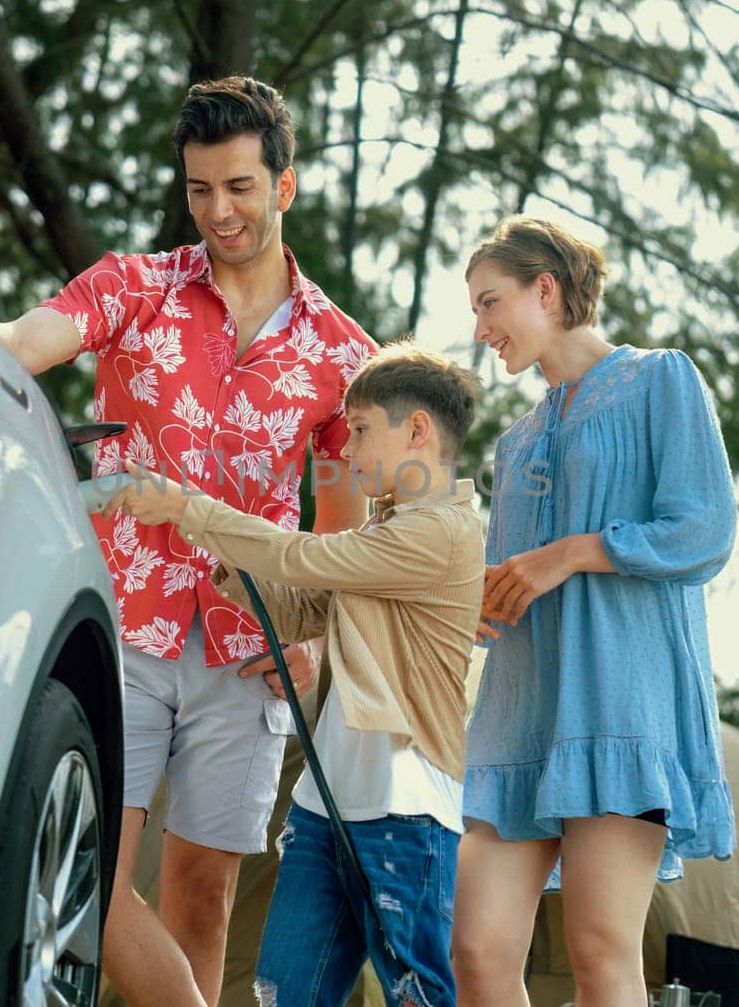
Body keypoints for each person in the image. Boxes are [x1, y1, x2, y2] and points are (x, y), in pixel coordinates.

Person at [0, 76, 375, 1007]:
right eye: (200, 190)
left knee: (205, 898)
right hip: (122, 625)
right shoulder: (137, 286)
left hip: (251, 649)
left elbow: (345, 524)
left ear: (284, 185)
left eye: (239, 187)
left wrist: (313, 632)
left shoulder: (342, 355)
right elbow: (27, 338)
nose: (219, 212)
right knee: (94, 878)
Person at [108, 343, 484, 1007]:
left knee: (416, 994)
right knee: (284, 993)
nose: (350, 449)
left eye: (363, 430)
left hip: (404, 811)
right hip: (325, 807)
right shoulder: (385, 526)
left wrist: (190, 508)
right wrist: (217, 553)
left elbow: (300, 557)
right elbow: (300, 606)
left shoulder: (443, 530)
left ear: (418, 429)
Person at [454, 216, 737, 1007]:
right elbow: (505, 583)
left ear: (545, 288)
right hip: (521, 716)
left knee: (601, 950)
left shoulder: (660, 381)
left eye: (489, 303)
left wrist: (571, 552)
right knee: (476, 949)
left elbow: (703, 528)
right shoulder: (515, 443)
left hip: (621, 705)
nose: (480, 330)